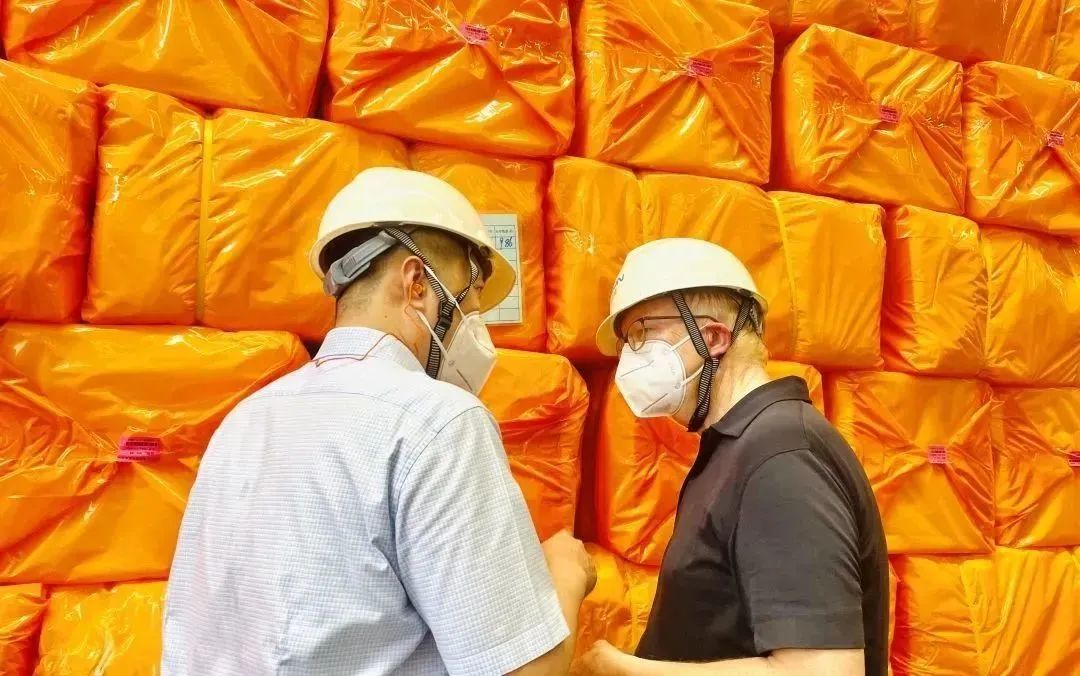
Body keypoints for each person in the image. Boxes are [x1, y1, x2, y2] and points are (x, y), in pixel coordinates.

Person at [163, 167, 596, 675]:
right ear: (416, 284)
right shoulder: (439, 422)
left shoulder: (246, 419)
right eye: (469, 306)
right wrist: (564, 574)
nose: (477, 334)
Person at [577, 238, 888, 676]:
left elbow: (823, 671)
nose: (629, 358)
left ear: (713, 338)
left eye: (642, 333)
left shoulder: (781, 457)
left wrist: (626, 671)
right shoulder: (736, 448)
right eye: (628, 340)